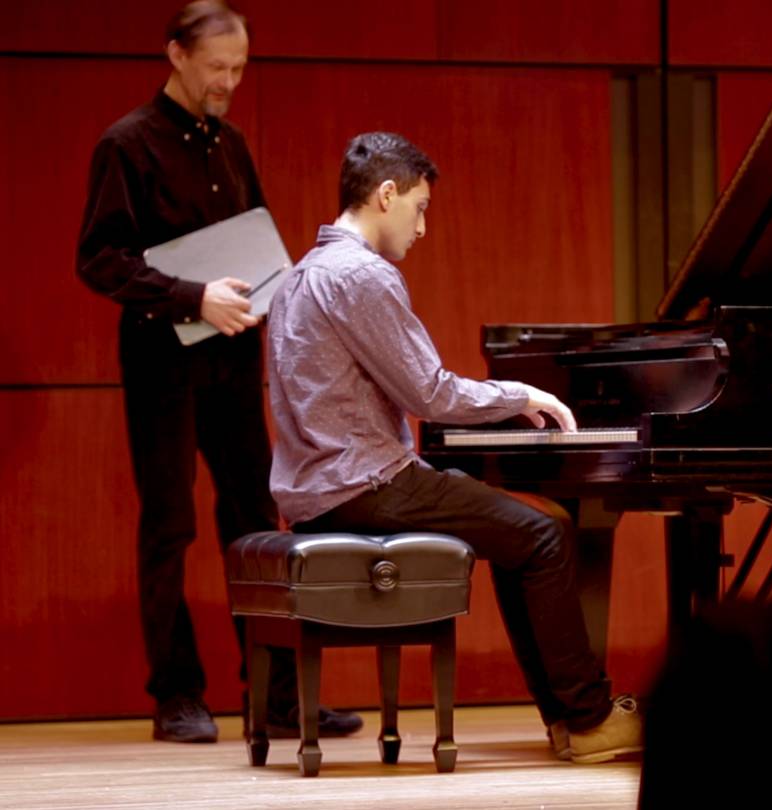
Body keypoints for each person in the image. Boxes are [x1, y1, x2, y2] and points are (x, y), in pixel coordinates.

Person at [266, 131, 643, 764]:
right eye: (419, 208)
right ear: (386, 195)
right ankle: (587, 719)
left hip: (316, 490)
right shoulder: (361, 275)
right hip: (367, 485)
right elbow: (431, 394)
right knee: (545, 538)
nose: (422, 227)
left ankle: (571, 719)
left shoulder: (301, 275)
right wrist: (522, 395)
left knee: (528, 533)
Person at [76, 0, 361, 743]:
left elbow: (256, 235)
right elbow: (99, 259)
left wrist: (277, 288)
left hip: (235, 359)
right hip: (163, 363)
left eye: (238, 69)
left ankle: (275, 698)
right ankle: (176, 696)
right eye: (215, 68)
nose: (227, 82)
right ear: (176, 55)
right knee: (169, 525)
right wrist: (190, 295)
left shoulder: (230, 143)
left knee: (255, 519)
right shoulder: (127, 144)